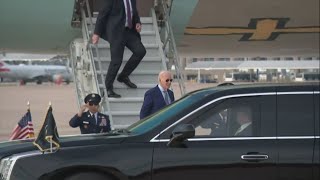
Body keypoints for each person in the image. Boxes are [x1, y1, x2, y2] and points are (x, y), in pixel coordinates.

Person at [92, 0, 146, 98]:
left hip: (129, 31)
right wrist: (97, 34)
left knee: (140, 51)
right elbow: (102, 14)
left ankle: (123, 76)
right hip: (116, 32)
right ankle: (108, 88)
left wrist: (137, 22)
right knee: (116, 60)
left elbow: (134, 11)